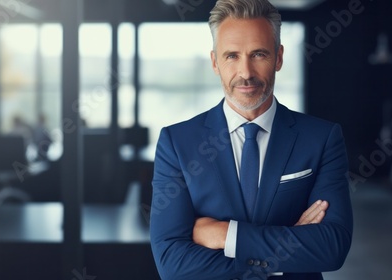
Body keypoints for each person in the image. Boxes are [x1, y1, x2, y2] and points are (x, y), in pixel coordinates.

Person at [150, 0, 353, 279]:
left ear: (279, 57)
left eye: (258, 54)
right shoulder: (176, 142)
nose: (245, 73)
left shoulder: (321, 138)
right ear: (215, 62)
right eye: (232, 56)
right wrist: (287, 251)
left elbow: (331, 248)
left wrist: (227, 235)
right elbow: (171, 262)